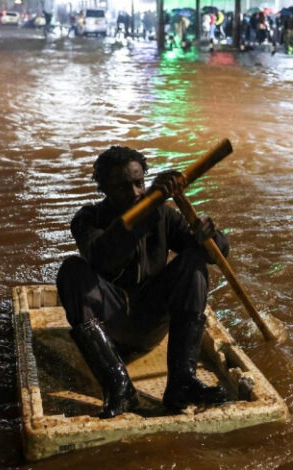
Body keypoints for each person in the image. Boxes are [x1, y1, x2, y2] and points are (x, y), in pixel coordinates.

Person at [56, 146, 229, 418]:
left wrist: (209, 235)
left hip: (151, 323)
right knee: (70, 269)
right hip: (110, 327)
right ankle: (119, 387)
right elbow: (102, 257)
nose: (136, 193)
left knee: (193, 260)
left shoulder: (163, 216)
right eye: (124, 187)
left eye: (139, 184)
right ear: (105, 190)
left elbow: (214, 255)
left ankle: (182, 382)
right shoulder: (87, 219)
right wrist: (146, 207)